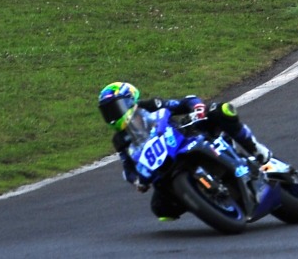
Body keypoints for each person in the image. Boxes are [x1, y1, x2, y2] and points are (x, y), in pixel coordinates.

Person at [99, 82, 271, 218]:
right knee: (161, 209)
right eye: (107, 112)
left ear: (130, 101)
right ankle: (203, 201)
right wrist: (137, 181)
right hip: (164, 166)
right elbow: (128, 168)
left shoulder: (151, 105)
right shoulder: (120, 140)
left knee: (221, 111)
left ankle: (255, 149)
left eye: (114, 108)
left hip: (185, 137)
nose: (113, 116)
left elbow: (185, 101)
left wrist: (197, 108)